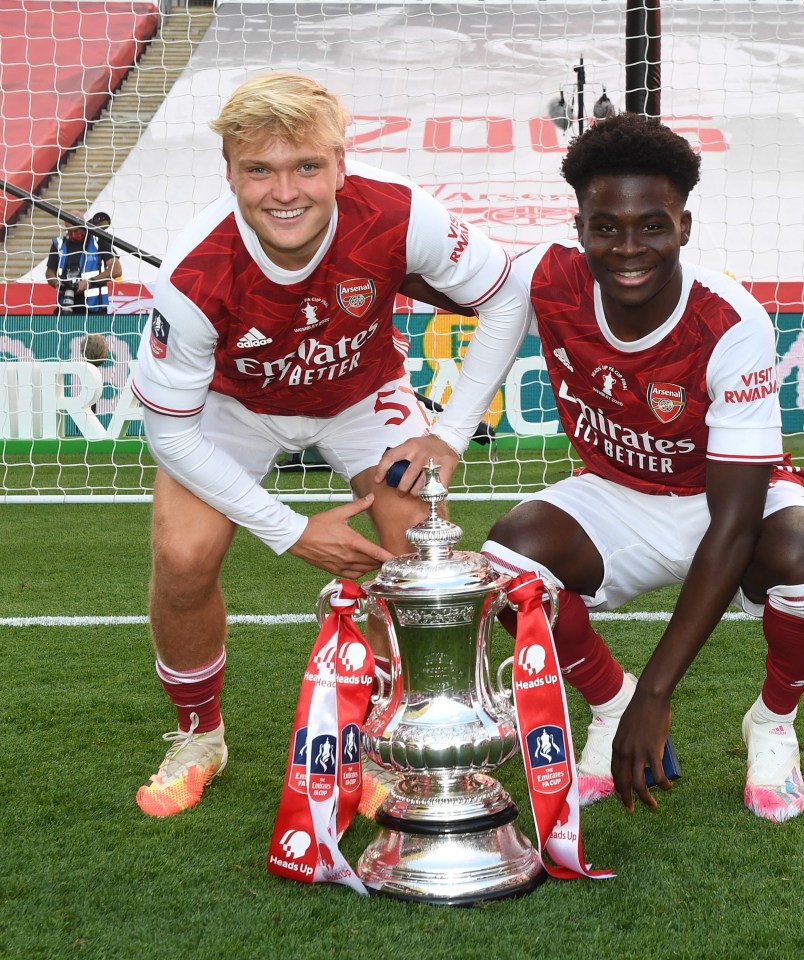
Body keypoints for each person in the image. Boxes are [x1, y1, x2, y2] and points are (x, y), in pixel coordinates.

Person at [129, 73, 528, 817]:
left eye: (306, 166)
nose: (285, 191)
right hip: (230, 407)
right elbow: (169, 432)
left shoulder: (401, 212)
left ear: (340, 165)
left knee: (414, 541)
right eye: (259, 170)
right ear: (230, 173)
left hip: (358, 395)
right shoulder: (194, 274)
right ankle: (198, 735)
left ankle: (377, 729)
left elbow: (507, 295)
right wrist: (290, 532)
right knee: (182, 557)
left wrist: (450, 431)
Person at [476, 113, 804, 823]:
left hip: (732, 502)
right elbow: (436, 273)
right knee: (507, 566)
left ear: (684, 225)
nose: (627, 248)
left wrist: (660, 693)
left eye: (652, 225)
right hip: (618, 494)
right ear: (579, 223)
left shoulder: (731, 320)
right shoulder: (543, 275)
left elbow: (735, 522)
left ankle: (772, 724)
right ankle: (607, 705)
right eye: (605, 226)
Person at [46, 212, 120, 315]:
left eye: (76, 231)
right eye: (69, 231)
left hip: (94, 308)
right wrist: (57, 284)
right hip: (65, 306)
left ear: (83, 226)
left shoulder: (98, 240)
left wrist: (89, 282)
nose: (72, 235)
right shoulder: (59, 244)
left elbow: (116, 270)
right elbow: (50, 272)